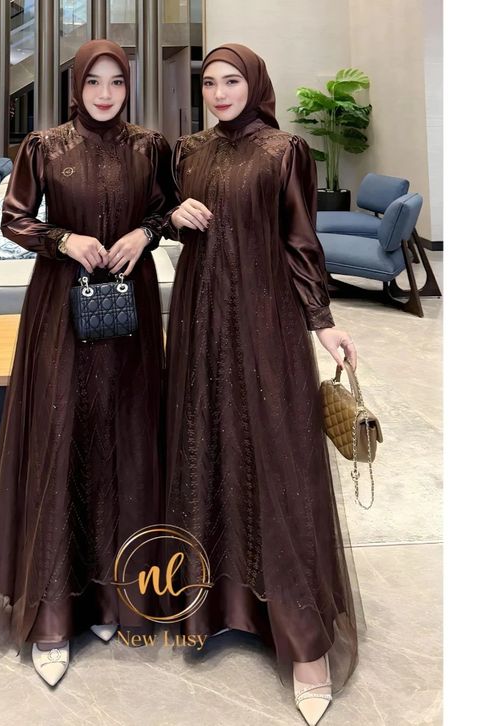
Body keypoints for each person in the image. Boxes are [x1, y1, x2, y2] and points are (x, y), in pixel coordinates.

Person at [162, 44, 360, 725]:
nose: (219, 92)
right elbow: (161, 212)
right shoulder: (188, 151)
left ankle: (305, 643)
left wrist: (322, 322)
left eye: (232, 81)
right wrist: (172, 217)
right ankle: (216, 607)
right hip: (198, 319)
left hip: (264, 320)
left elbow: (300, 240)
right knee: (207, 447)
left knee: (278, 458)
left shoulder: (284, 151)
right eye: (209, 82)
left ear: (255, 84)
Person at [0, 39, 172, 688]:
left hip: (130, 307)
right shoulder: (44, 146)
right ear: (76, 85)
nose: (106, 93)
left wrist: (145, 233)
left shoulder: (151, 147)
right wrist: (63, 238)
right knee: (63, 436)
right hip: (62, 306)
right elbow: (13, 220)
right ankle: (54, 614)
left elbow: (168, 210)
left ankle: (114, 596)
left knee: (125, 437)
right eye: (94, 81)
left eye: (117, 81)